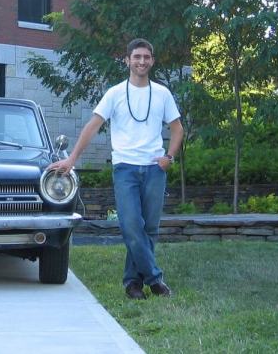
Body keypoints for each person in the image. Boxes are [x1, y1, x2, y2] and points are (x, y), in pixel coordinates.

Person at [48, 38, 183, 300]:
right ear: (127, 60)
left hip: (155, 168)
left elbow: (177, 128)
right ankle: (155, 280)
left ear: (152, 61)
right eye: (137, 57)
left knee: (150, 228)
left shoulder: (163, 93)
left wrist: (170, 157)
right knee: (131, 225)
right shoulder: (115, 93)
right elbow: (93, 126)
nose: (141, 61)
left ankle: (133, 283)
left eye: (146, 57)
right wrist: (72, 159)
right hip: (125, 168)